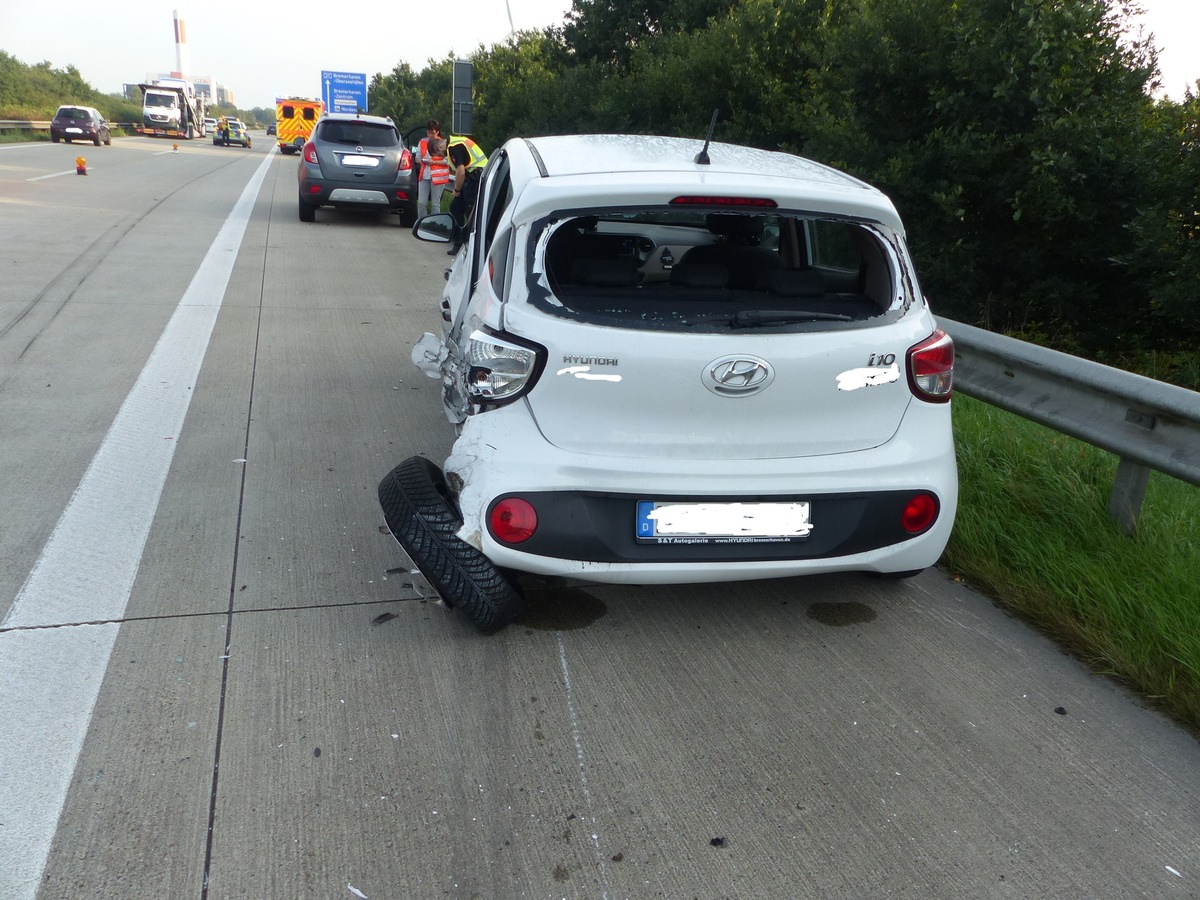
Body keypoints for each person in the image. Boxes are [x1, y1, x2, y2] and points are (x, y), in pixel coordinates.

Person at [446, 136, 489, 255]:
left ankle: (471, 244)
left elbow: (460, 171)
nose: (443, 155)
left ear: (439, 146)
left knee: (470, 213)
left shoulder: (453, 147)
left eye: (439, 153)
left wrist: (456, 190)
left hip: (475, 179)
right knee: (456, 208)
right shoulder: (458, 142)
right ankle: (460, 241)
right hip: (472, 178)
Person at [416, 119, 451, 218]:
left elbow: (447, 161)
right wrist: (422, 161)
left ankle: (434, 225)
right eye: (428, 132)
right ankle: (421, 224)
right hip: (424, 175)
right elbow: (417, 158)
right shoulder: (422, 142)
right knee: (421, 203)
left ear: (437, 131)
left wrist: (434, 162)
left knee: (436, 204)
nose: (430, 135)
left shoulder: (443, 143)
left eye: (432, 133)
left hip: (438, 177)